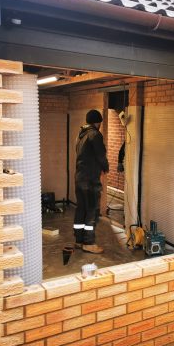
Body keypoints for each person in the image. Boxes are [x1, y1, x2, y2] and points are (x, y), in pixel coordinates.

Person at [73, 109, 109, 254]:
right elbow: (100, 155)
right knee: (92, 211)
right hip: (90, 181)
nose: (100, 125)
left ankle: (79, 240)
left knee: (81, 209)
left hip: (80, 178)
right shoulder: (95, 134)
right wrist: (105, 167)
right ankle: (89, 243)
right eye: (100, 122)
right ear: (97, 122)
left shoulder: (81, 135)